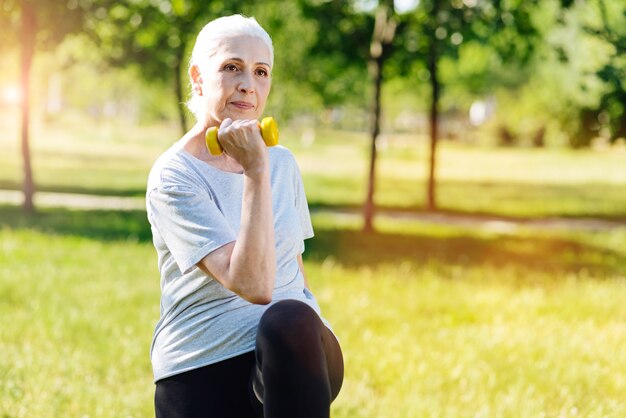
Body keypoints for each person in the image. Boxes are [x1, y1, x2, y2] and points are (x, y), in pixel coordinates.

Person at [146, 14, 344, 418]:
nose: (247, 85)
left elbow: (292, 270)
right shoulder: (174, 176)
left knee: (290, 316)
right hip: (204, 367)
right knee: (284, 315)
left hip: (294, 347)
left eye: (261, 72)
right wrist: (256, 171)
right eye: (232, 67)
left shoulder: (282, 163)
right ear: (198, 78)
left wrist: (262, 167)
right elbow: (253, 285)